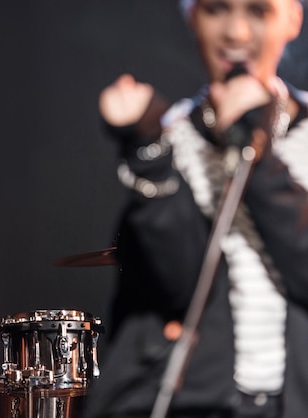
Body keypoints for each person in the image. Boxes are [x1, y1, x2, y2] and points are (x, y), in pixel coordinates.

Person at [83, 0, 308, 417]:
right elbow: (177, 284)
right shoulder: (173, 137)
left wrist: (255, 155)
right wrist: (147, 149)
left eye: (259, 11)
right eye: (216, 9)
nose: (237, 33)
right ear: (192, 18)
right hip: (201, 402)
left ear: (293, 20)